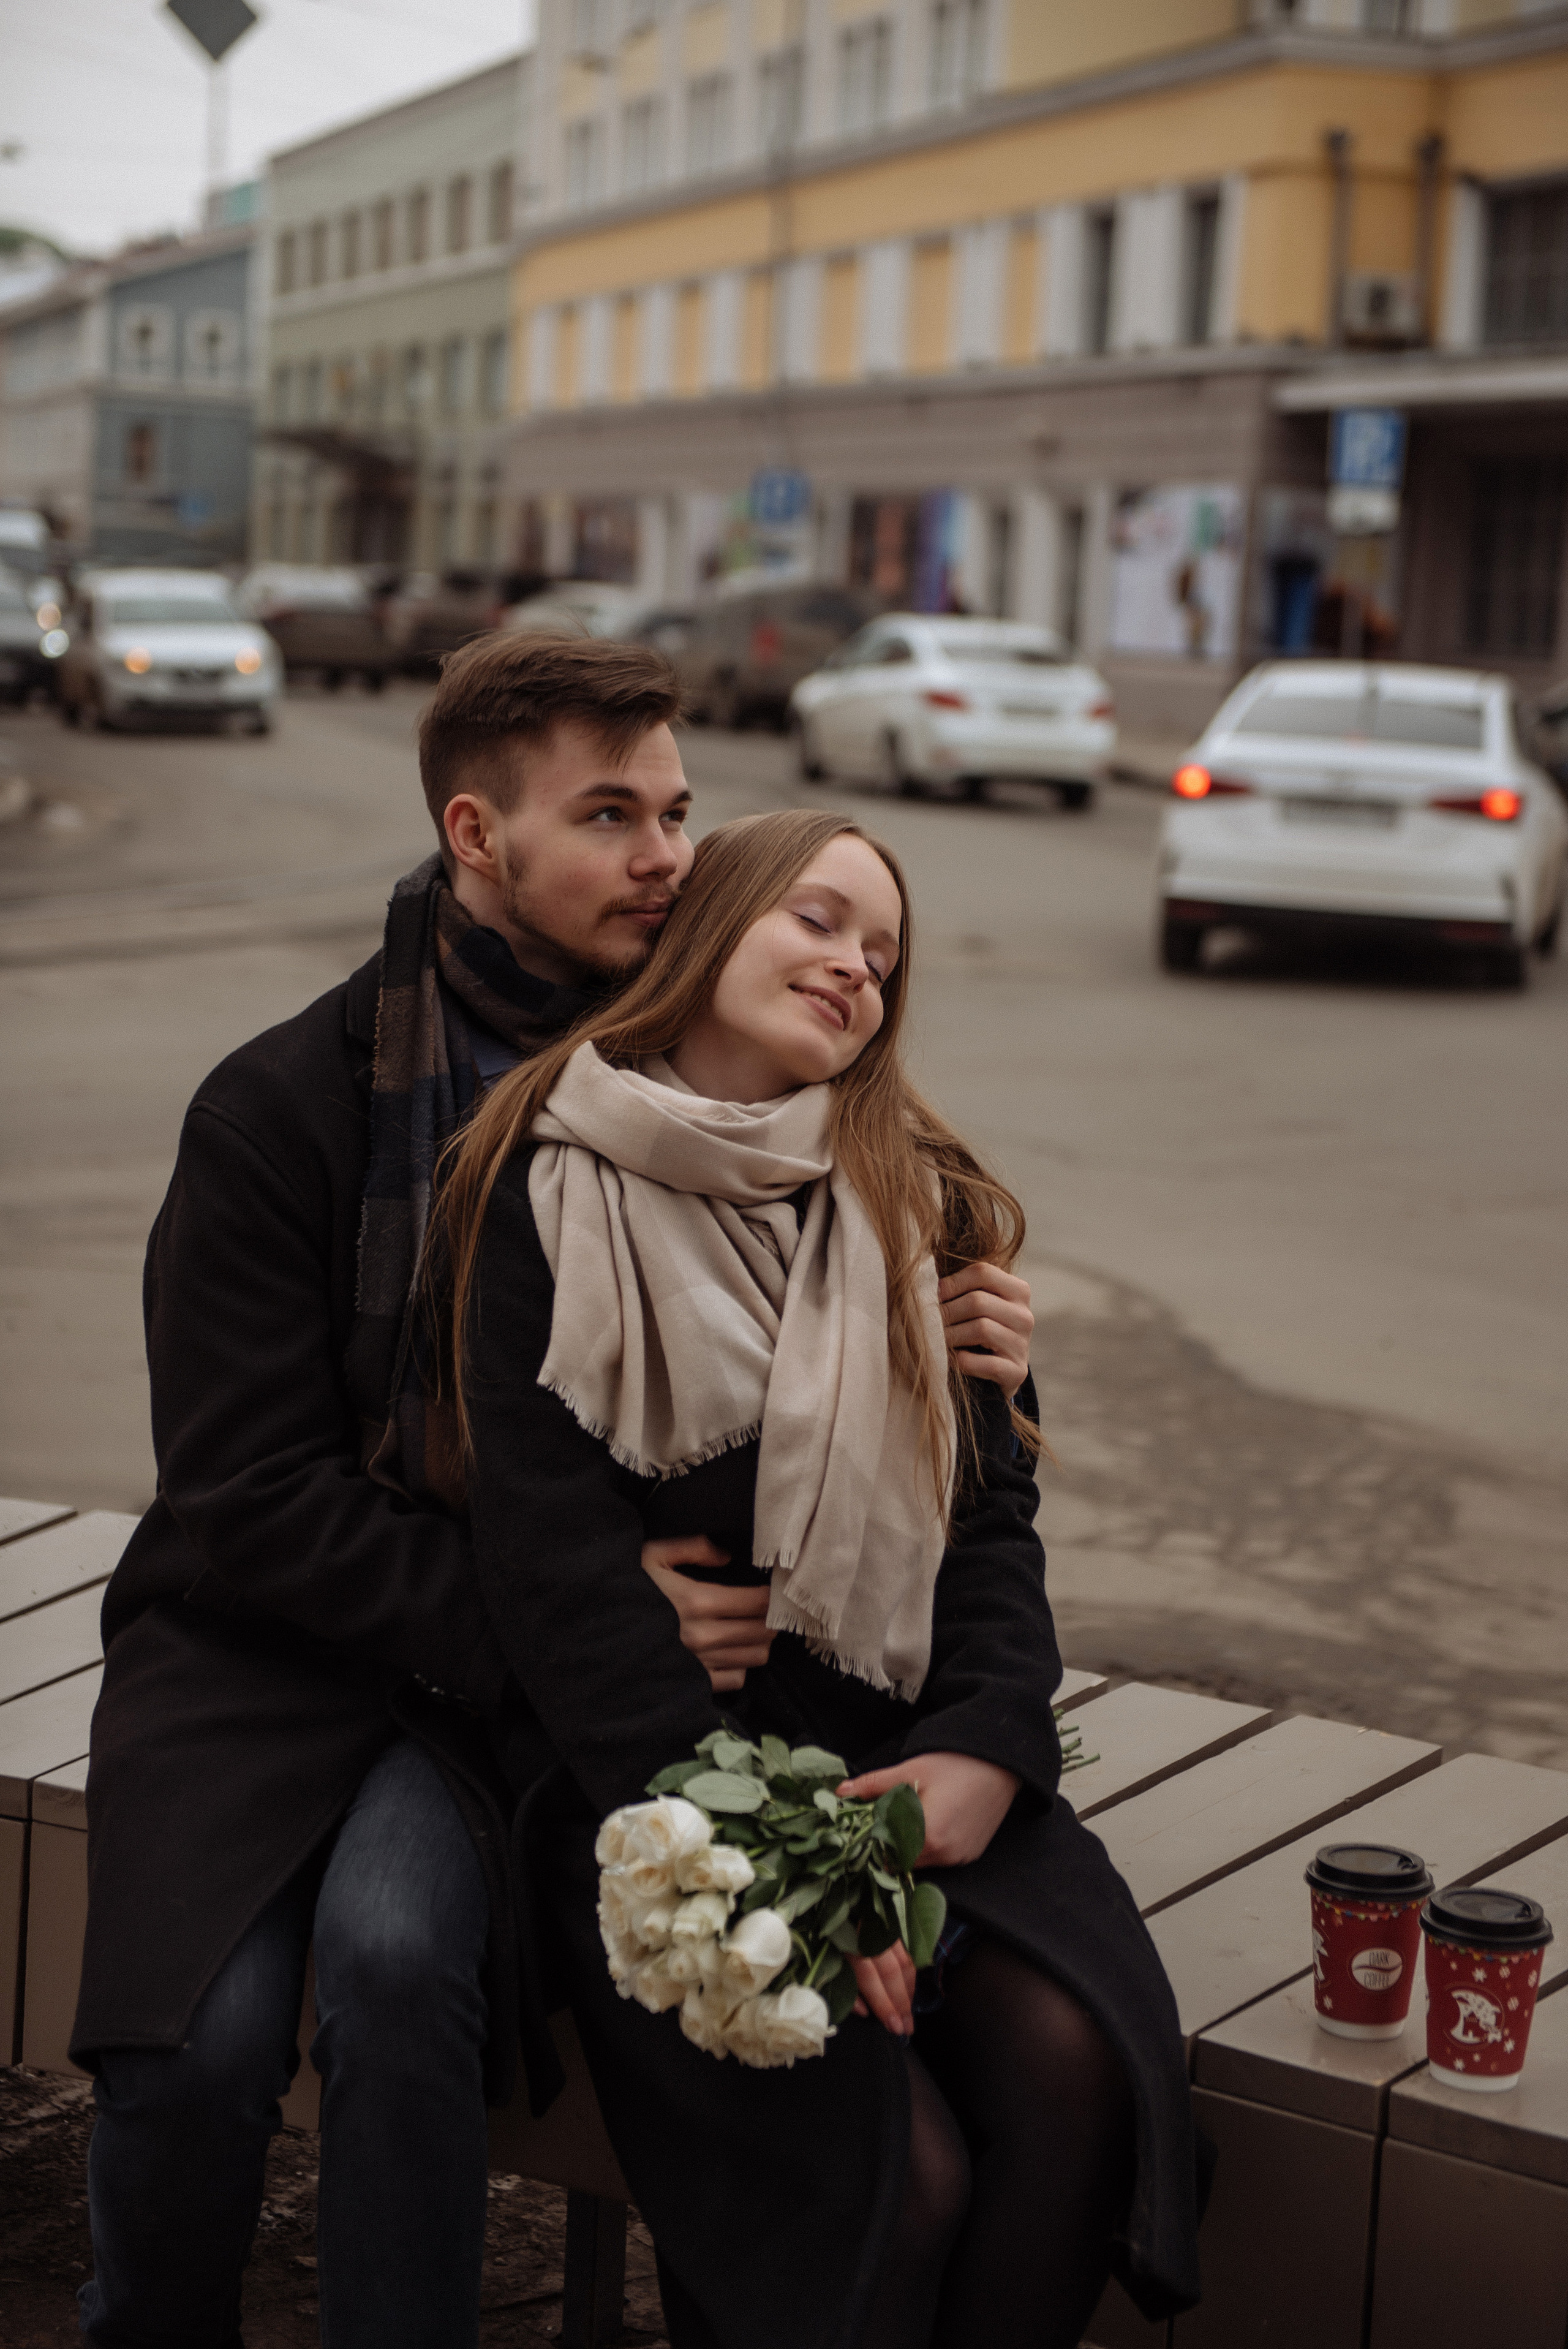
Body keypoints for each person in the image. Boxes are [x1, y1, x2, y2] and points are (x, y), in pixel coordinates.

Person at [71, 635, 1036, 2349]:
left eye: (677, 809)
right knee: (198, 2047)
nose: (668, 855)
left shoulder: (685, 1076)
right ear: (476, 835)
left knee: (391, 1965)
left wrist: (959, 1340)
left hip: (499, 1706)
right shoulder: (287, 1106)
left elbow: (819, 1354)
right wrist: (578, 1599)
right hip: (269, 1652)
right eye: (611, 815)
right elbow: (244, 1499)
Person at [434, 806, 1204, 2349]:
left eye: (882, 954)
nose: (853, 965)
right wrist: (778, 1867)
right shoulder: (541, 1182)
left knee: (1074, 2074)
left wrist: (983, 1755)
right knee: (889, 2179)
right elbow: (568, 1591)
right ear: (714, 917)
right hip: (662, 1787)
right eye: (817, 919)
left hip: (905, 1751)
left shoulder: (916, 1200)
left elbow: (985, 1533)